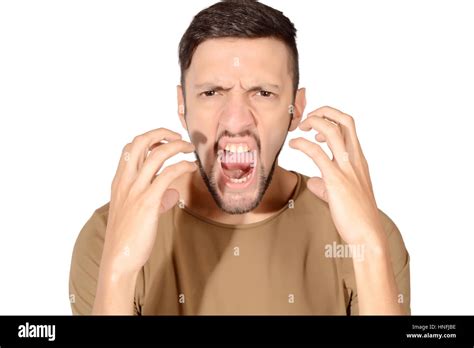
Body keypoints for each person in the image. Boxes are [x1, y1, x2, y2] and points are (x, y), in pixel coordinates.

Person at [69, 0, 410, 315]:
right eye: (211, 92)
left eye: (263, 93)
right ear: (182, 106)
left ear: (296, 109)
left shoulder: (365, 234)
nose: (236, 120)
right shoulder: (108, 235)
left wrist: (370, 246)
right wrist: (118, 271)